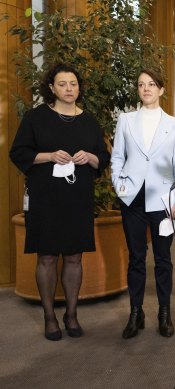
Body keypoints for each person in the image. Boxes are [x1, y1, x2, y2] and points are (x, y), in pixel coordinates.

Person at [10, 63, 110, 341]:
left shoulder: (89, 121)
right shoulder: (35, 118)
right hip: (46, 197)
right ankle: (49, 316)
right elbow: (18, 152)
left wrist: (89, 158)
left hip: (78, 198)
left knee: (75, 257)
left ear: (79, 88)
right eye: (63, 84)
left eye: (74, 84)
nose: (69, 89)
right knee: (47, 256)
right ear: (51, 87)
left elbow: (102, 157)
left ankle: (72, 314)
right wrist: (49, 155)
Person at [111, 69, 175, 339]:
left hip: (163, 199)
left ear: (161, 89)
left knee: (163, 259)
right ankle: (136, 312)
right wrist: (118, 185)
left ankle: (164, 312)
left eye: (152, 84)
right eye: (141, 84)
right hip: (131, 198)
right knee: (136, 257)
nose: (146, 89)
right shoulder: (126, 120)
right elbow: (118, 156)